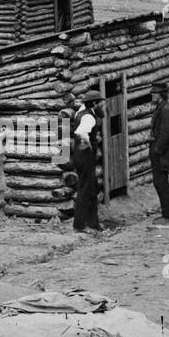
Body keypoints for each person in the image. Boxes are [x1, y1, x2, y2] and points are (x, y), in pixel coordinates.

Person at [70, 92, 102, 232]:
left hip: (79, 155)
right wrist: (89, 144)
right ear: (94, 103)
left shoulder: (81, 111)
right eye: (99, 102)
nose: (101, 105)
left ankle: (93, 222)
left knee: (91, 188)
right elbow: (81, 133)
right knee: (84, 189)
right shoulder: (89, 116)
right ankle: (79, 225)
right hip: (85, 156)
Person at [149, 82, 169, 220]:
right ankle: (167, 212)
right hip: (160, 151)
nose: (152, 95)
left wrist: (157, 150)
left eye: (154, 93)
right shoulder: (161, 107)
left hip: (162, 152)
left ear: (160, 94)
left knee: (161, 182)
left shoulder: (165, 109)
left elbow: (166, 134)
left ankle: (168, 214)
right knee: (160, 181)